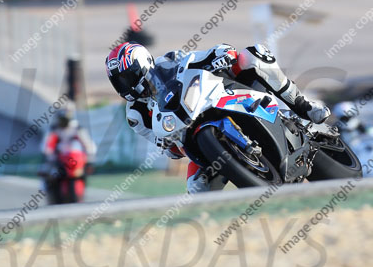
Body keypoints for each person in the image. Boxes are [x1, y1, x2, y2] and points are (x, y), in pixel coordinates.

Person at [105, 41, 330, 193]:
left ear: (142, 64)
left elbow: (196, 59)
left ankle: (303, 105)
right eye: (119, 81)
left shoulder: (168, 62)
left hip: (217, 96)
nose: (125, 85)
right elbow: (165, 147)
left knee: (252, 56)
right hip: (194, 140)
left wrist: (219, 55)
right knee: (195, 189)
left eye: (127, 76)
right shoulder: (135, 115)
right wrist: (166, 145)